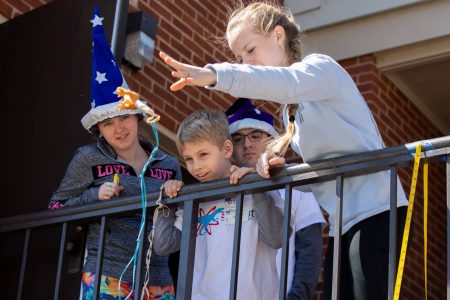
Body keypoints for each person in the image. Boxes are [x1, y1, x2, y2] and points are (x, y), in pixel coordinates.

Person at [158, 2, 409, 299]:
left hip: (378, 210)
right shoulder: (290, 108)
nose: (246, 62)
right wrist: (269, 164)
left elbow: (287, 82)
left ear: (278, 36)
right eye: (239, 57)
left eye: (250, 51)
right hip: (343, 222)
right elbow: (316, 166)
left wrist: (216, 75)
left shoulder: (319, 68)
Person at [48, 6, 180, 299]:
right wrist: (95, 197)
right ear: (99, 130)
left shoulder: (168, 164)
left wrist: (176, 197)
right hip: (106, 275)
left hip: (158, 279)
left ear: (137, 118)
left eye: (124, 118)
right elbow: (56, 209)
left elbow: (179, 224)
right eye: (108, 123)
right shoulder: (88, 158)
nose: (118, 129)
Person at [153, 110, 289, 300]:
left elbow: (276, 238)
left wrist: (254, 187)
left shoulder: (257, 186)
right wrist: (168, 200)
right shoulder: (193, 199)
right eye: (189, 159)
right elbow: (163, 245)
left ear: (226, 149)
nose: (196, 166)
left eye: (203, 154)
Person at [226, 98, 325, 300]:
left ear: (271, 140)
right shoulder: (219, 191)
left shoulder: (298, 189)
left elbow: (309, 254)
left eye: (255, 136)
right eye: (237, 138)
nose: (246, 144)